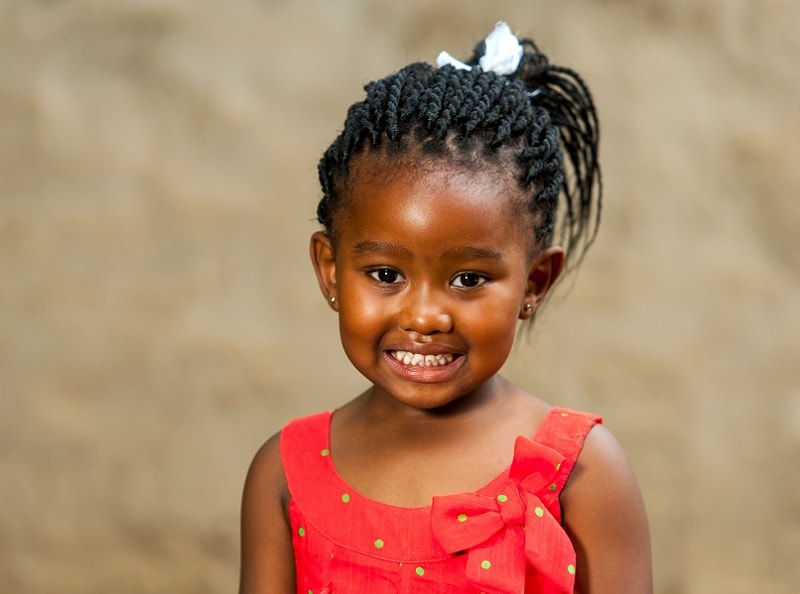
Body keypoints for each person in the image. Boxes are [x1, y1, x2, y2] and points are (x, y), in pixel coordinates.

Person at [240, 21, 652, 594]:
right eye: (386, 274)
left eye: (467, 278)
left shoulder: (581, 472)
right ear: (330, 270)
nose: (425, 316)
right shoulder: (285, 473)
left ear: (535, 282)